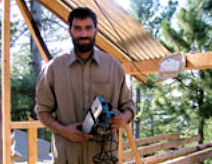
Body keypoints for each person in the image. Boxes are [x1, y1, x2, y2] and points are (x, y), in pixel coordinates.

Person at [35, 7, 135, 164]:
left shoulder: (114, 67)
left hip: (104, 156)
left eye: (88, 28)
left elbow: (129, 106)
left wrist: (123, 118)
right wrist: (64, 131)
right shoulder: (53, 68)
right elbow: (42, 111)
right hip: (66, 157)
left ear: (96, 30)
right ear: (70, 31)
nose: (83, 34)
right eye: (78, 28)